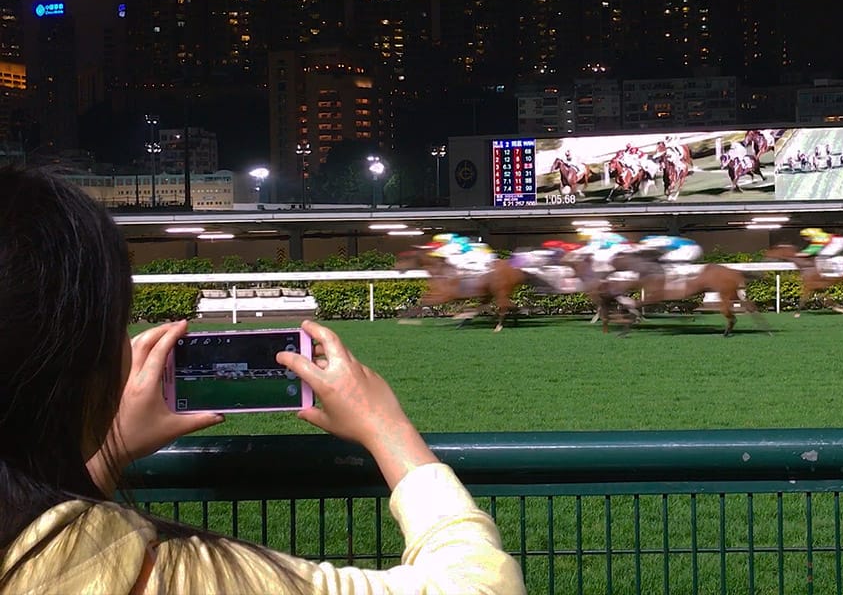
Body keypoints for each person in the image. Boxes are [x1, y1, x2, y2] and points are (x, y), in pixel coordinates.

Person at [0, 166, 525, 594]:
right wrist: (387, 428)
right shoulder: (163, 574)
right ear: (82, 363)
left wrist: (105, 459)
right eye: (119, 322)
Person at [638, 234, 703, 263]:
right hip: (693, 246)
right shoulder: (651, 239)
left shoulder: (647, 242)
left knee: (661, 260)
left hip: (688, 248)